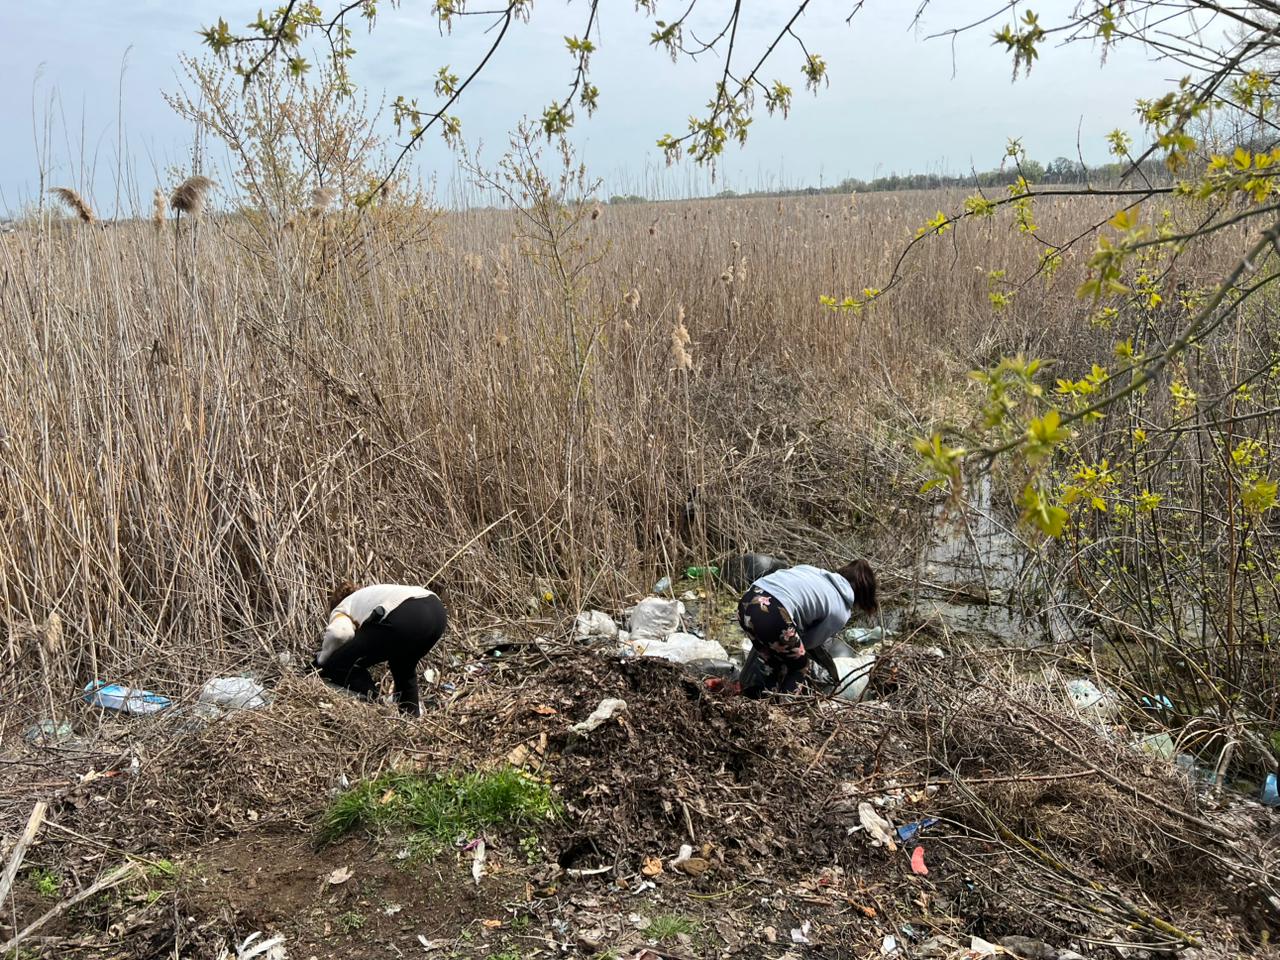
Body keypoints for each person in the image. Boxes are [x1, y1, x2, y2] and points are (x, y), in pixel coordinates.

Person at [732, 559, 877, 698]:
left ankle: (759, 699)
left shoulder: (812, 571)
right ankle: (782, 709)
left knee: (775, 661)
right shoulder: (841, 610)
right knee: (800, 665)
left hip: (747, 602)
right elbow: (809, 643)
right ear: (863, 595)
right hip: (772, 613)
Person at [312, 581, 447, 716]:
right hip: (437, 613)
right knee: (403, 667)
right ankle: (410, 718)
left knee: (339, 665)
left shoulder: (343, 606)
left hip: (408, 613)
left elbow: (339, 633)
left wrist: (321, 661)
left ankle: (375, 706)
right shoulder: (368, 598)